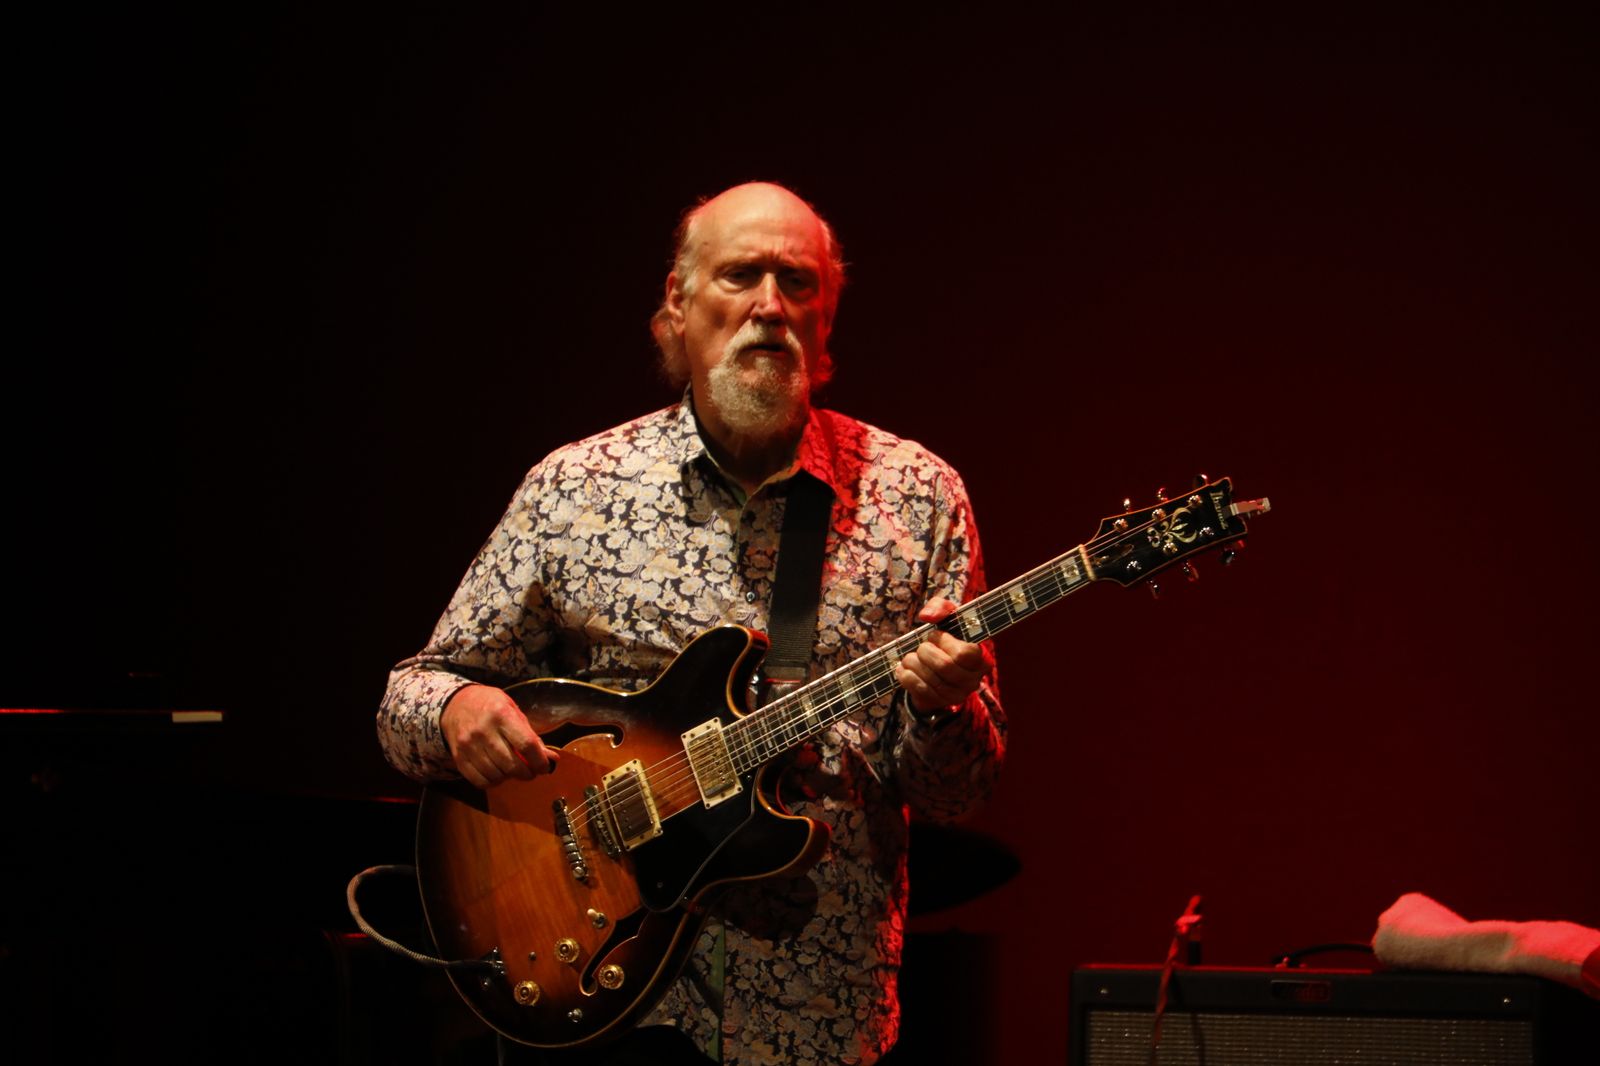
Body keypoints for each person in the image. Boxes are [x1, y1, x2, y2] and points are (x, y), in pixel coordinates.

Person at [378, 182, 1006, 1065]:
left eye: (797, 283)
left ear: (829, 318)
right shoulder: (576, 488)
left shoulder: (918, 496)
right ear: (678, 303)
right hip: (598, 996)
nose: (769, 307)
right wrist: (453, 714)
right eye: (740, 276)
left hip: (816, 1013)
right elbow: (409, 696)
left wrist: (943, 708)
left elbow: (958, 795)